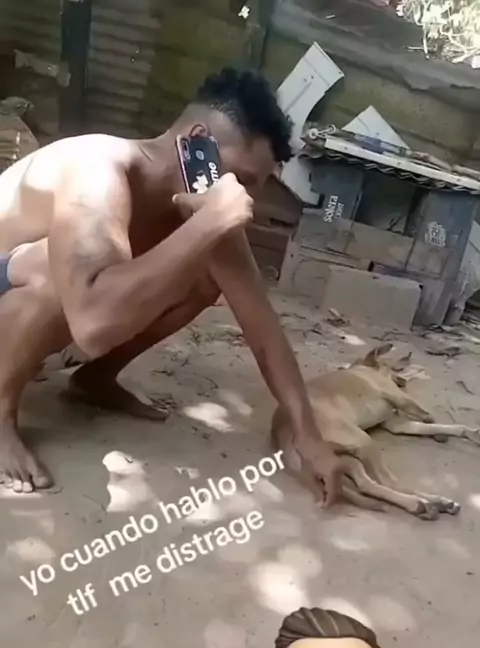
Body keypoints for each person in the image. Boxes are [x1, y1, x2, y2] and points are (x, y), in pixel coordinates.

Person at [0, 67, 341, 498]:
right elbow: (92, 325)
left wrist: (308, 435)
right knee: (57, 266)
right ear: (196, 141)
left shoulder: (200, 202)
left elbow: (263, 327)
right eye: (240, 179)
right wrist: (210, 224)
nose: (245, 197)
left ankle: (94, 380)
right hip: (13, 280)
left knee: (204, 276)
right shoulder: (98, 169)